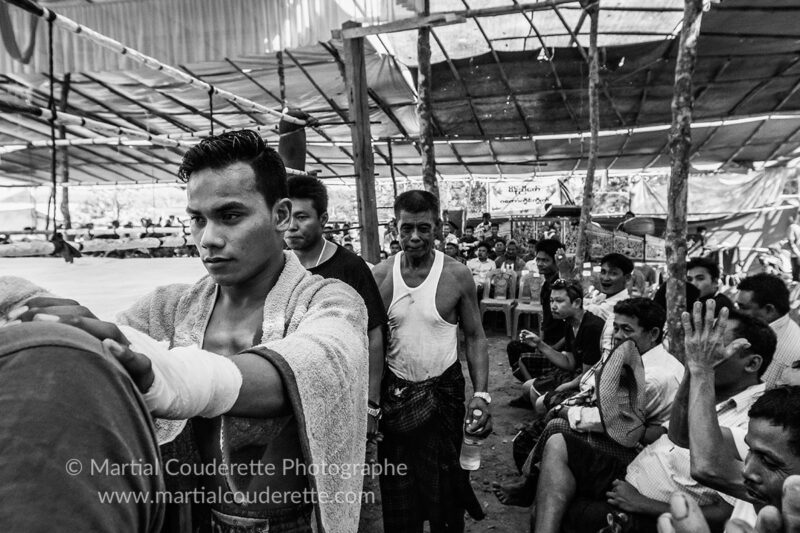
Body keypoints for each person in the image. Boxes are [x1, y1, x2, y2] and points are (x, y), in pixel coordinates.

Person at [9, 130, 370, 533]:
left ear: (281, 215)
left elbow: (318, 360)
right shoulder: (167, 308)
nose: (208, 239)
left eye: (230, 216)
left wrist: (175, 379)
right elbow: (110, 346)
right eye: (197, 219)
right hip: (189, 518)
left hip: (295, 524)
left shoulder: (329, 301)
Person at [531, 306, 775, 533]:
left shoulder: (757, 421)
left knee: (569, 510)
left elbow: (727, 511)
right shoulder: (707, 388)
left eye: (714, 347)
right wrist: (695, 369)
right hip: (632, 473)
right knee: (558, 442)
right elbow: (676, 436)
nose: (704, 352)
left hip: (657, 507)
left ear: (752, 363)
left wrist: (643, 503)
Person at [372, 190, 491, 533]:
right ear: (394, 228)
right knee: (399, 495)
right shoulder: (381, 276)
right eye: (406, 228)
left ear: (437, 227)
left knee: (446, 493)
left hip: (444, 397)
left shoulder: (456, 275)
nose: (414, 237)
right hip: (396, 402)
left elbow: (476, 336)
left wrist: (481, 396)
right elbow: (372, 345)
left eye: (423, 228)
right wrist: (372, 405)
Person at [495, 298, 684, 508]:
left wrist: (566, 411)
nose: (619, 336)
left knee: (559, 425)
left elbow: (610, 422)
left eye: (627, 330)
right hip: (631, 432)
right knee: (557, 418)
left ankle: (530, 485)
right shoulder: (643, 356)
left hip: (643, 453)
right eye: (617, 328)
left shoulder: (652, 376)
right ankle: (532, 481)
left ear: (654, 334)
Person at [285, 176, 387, 442]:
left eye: (302, 217)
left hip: (343, 393)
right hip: (290, 396)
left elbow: (375, 334)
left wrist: (371, 405)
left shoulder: (351, 267)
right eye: (285, 216)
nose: (292, 226)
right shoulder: (278, 267)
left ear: (323, 219)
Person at [511, 278, 604, 412]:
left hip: (590, 384)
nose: (553, 306)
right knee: (527, 387)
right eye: (551, 301)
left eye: (559, 301)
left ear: (577, 303)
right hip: (576, 375)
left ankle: (544, 425)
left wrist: (564, 386)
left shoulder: (591, 328)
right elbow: (569, 363)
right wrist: (539, 344)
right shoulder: (569, 323)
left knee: (537, 396)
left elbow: (588, 375)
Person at [736, 273, 800, 388]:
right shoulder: (763, 331)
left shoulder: (779, 353)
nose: (737, 313)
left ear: (769, 310)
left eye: (743, 307)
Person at [585, 252, 633, 355]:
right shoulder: (602, 297)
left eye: (613, 273)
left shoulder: (618, 305)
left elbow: (575, 307)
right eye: (603, 272)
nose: (606, 278)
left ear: (627, 278)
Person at [788, 211, 800, 283]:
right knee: (796, 278)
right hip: (796, 255)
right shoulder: (793, 227)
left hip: (796, 255)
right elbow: (791, 243)